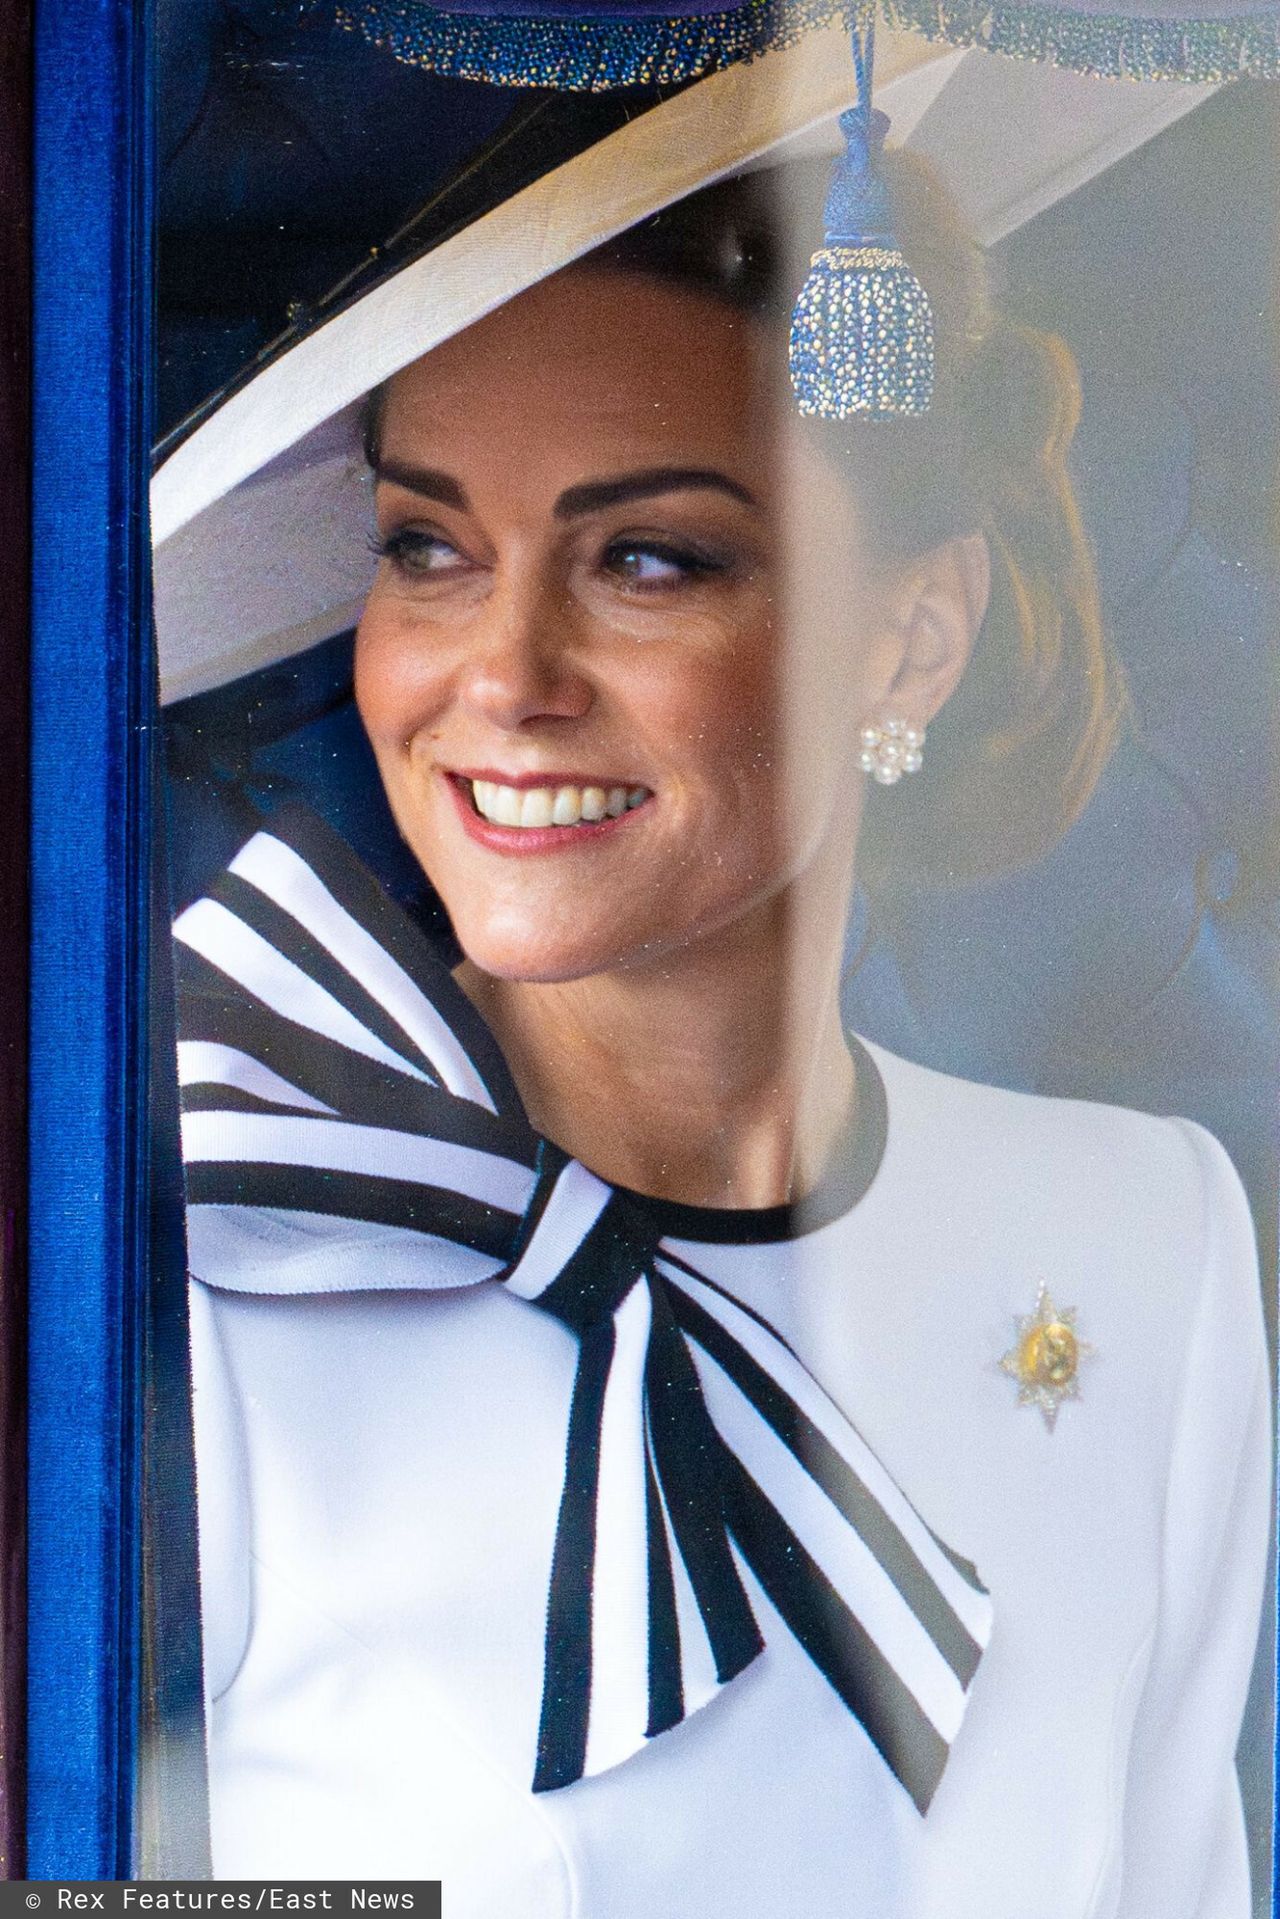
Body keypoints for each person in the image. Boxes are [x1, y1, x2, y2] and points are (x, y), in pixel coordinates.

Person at [173, 146, 1271, 1916]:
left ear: (908, 642)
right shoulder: (209, 1241)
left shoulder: (1152, 1247)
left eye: (650, 558)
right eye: (428, 548)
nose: (505, 674)